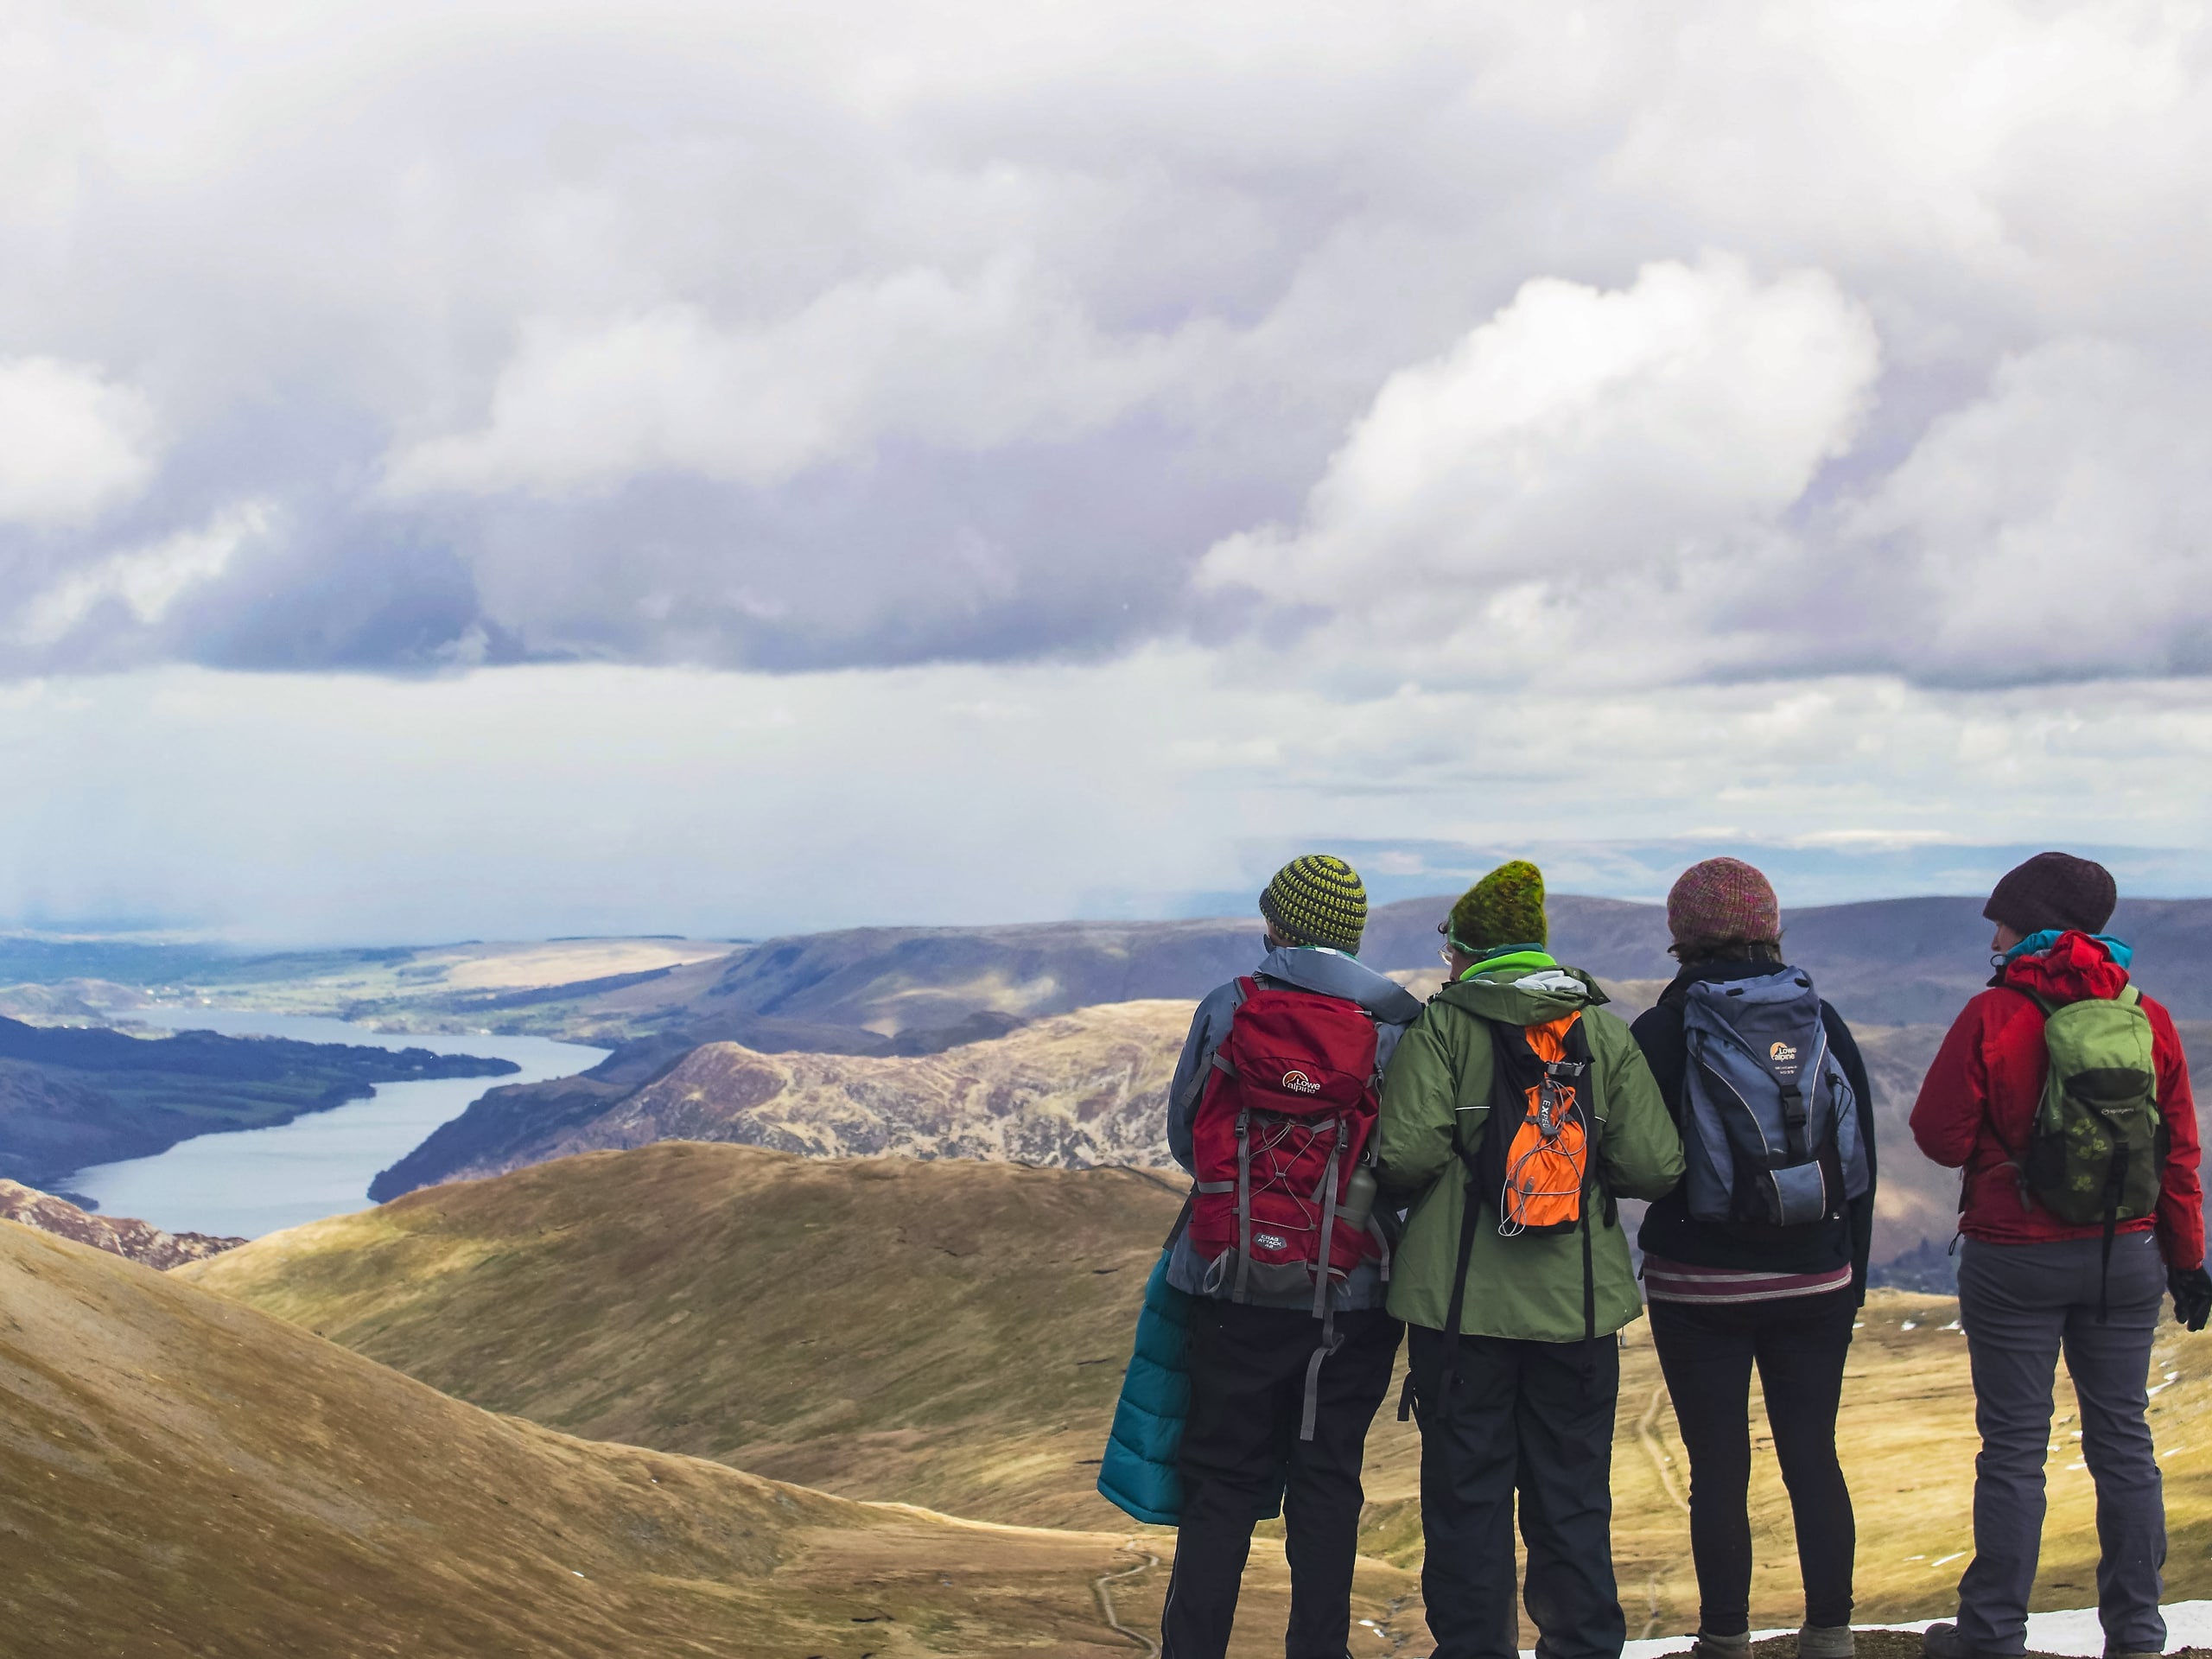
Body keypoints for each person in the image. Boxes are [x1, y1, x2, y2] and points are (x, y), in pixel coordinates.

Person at [1376, 860, 1684, 1659]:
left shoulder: (1442, 1030)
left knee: (1466, 1501)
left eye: (1451, 950)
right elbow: (1654, 1168)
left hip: (1458, 1316)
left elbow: (1404, 1157)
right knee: (1571, 1498)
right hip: (1575, 1314)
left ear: (1469, 953)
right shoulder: (1603, 1032)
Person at [1910, 852, 2211, 1659]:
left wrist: (2005, 1152)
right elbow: (2178, 1152)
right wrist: (2187, 1263)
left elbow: (1937, 1139)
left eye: (2001, 921)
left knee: (2014, 1447)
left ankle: (1994, 1635)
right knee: (2124, 1441)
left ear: (2032, 924)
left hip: (2015, 1256)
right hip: (2128, 1254)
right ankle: (2139, 1633)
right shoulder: (2147, 1015)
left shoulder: (1994, 1012)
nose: (1994, 934)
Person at [1158, 853, 1424, 1659]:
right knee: (1326, 1481)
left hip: (1228, 1284)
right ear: (1353, 934)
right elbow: (1408, 1161)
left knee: (1221, 1485)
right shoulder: (1397, 1024)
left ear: (1274, 924)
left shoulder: (1228, 1006)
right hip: (1351, 1294)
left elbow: (1185, 1137)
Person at [1630, 858, 1878, 1659]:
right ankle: (1831, 1633)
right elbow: (1859, 1159)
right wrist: (1851, 1279)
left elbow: (1636, 1161)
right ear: (1771, 928)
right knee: (1813, 1453)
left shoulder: (1662, 1032)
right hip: (1816, 1278)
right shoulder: (1822, 1020)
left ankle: (1725, 1638)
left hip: (1698, 1287)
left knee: (1718, 1466)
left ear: (1681, 937)